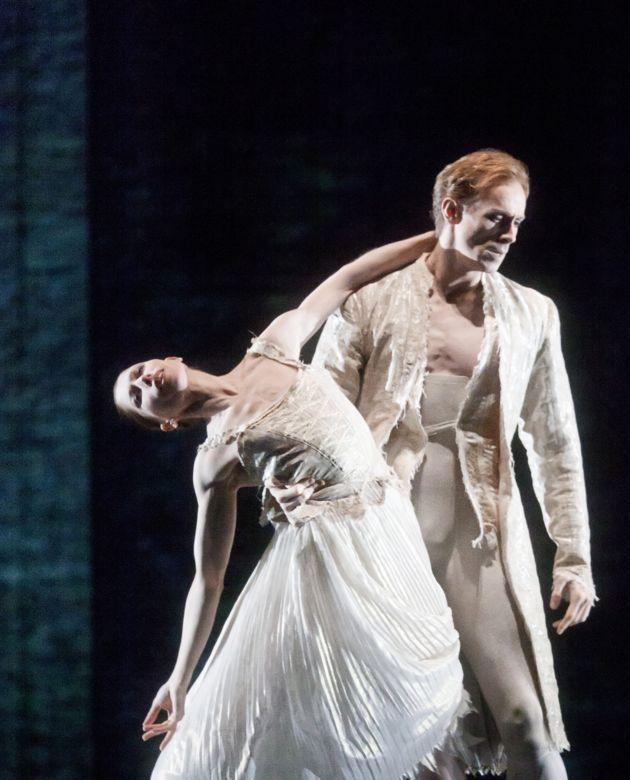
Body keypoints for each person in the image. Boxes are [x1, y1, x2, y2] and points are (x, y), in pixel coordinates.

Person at [113, 232, 470, 780]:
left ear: (171, 358)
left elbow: (350, 276)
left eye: (137, 371)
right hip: (327, 562)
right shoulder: (215, 461)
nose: (142, 380)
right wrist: (179, 678)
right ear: (165, 422)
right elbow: (208, 578)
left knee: (420, 685)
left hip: (386, 526)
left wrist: (439, 237)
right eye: (136, 396)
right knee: (350, 712)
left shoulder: (274, 345)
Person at [312, 149, 597, 779]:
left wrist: (573, 557)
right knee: (420, 736)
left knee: (523, 720)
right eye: (497, 218)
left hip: (479, 530)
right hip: (385, 531)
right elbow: (320, 413)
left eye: (517, 222)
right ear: (452, 209)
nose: (510, 234)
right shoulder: (370, 301)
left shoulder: (530, 313)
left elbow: (555, 440)